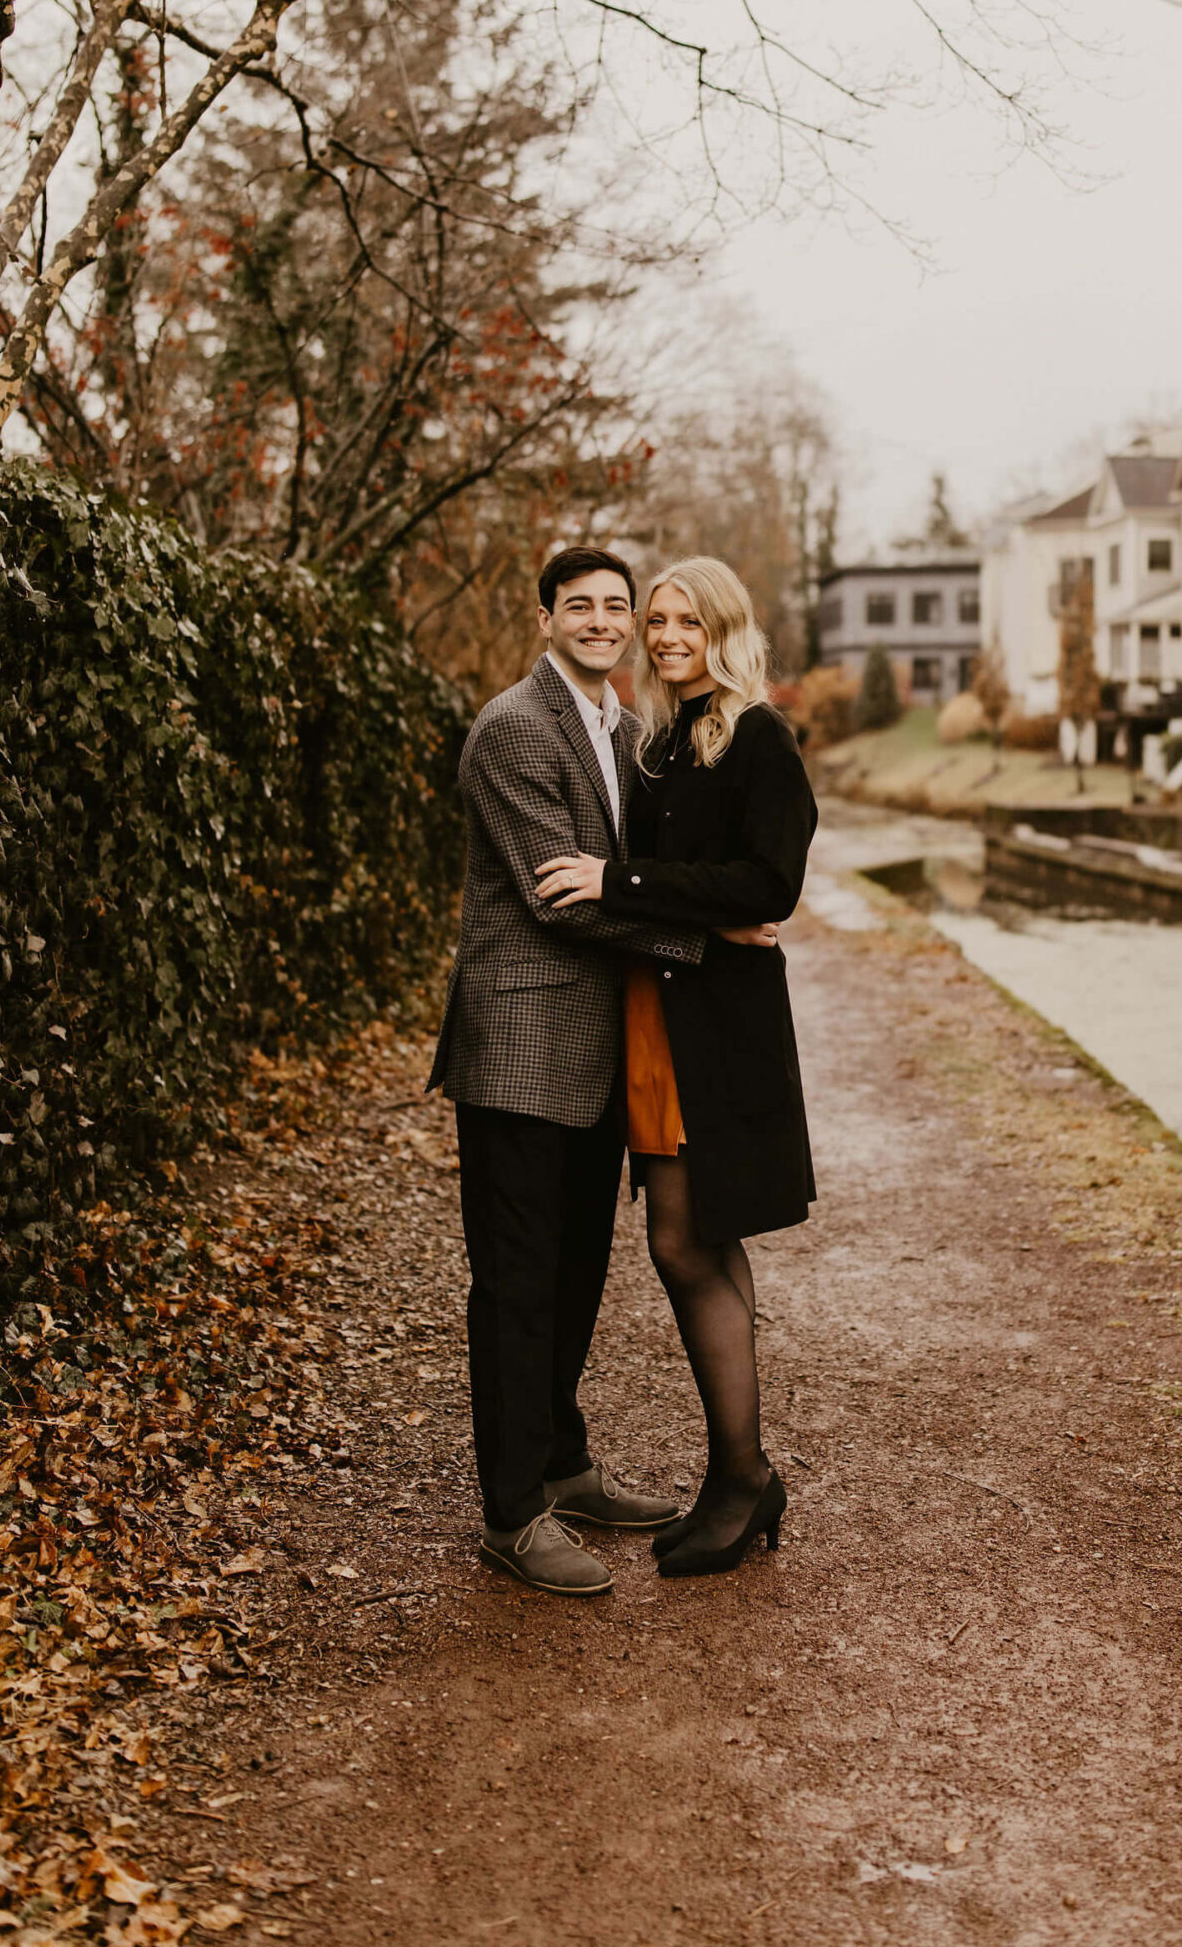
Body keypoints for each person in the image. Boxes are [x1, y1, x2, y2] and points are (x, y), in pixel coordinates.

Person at [427, 547, 722, 1598]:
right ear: (547, 615)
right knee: (515, 1285)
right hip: (517, 1050)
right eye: (581, 605)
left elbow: (630, 869)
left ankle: (563, 1462)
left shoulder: (627, 730)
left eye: (616, 606)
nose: (602, 621)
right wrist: (709, 935)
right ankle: (512, 1514)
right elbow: (563, 894)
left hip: (597, 1047)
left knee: (577, 1275)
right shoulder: (511, 728)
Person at [536, 555, 818, 1578]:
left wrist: (628, 880)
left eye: (683, 618)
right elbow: (707, 901)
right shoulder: (658, 743)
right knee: (686, 1241)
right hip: (660, 1013)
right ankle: (743, 1471)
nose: (663, 634)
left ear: (724, 624)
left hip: (723, 1030)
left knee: (688, 1239)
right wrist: (670, 907)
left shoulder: (757, 734)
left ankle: (742, 1477)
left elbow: (768, 883)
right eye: (656, 619)